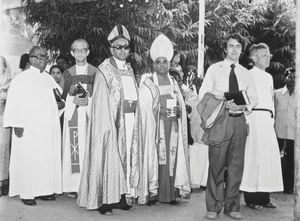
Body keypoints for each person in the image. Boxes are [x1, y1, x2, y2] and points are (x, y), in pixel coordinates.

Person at [77, 24, 142, 215]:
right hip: (110, 123)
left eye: (126, 47)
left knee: (126, 159)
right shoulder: (104, 70)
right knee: (109, 158)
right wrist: (106, 126)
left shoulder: (129, 68)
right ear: (111, 49)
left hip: (130, 120)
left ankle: (121, 197)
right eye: (118, 47)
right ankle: (105, 200)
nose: (123, 50)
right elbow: (98, 102)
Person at [198, 33, 257, 220]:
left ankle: (232, 207)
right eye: (231, 46)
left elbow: (254, 99)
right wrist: (221, 100)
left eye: (238, 46)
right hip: (220, 121)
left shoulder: (246, 73)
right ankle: (213, 207)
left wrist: (243, 106)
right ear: (225, 48)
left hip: (239, 121)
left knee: (235, 166)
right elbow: (203, 95)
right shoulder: (214, 69)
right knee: (216, 165)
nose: (234, 50)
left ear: (242, 49)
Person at [3, 46, 62, 206]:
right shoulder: (20, 79)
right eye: (39, 56)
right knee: (29, 159)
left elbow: (59, 100)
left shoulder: (48, 78)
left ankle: (43, 190)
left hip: (47, 128)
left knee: (45, 159)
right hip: (28, 128)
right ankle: (27, 192)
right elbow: (13, 103)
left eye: (45, 56)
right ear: (30, 59)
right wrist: (16, 124)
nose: (43, 59)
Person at [139, 34, 191, 205]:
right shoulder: (147, 82)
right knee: (156, 157)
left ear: (170, 63)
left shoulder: (174, 81)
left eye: (165, 62)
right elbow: (143, 106)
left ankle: (170, 193)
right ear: (153, 64)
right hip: (155, 126)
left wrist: (178, 110)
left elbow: (182, 104)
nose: (162, 65)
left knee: (172, 158)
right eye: (158, 62)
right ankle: (154, 192)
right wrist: (156, 111)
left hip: (172, 125)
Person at [240, 43, 283, 210]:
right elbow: (243, 100)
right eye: (264, 55)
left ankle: (265, 197)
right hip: (254, 118)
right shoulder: (247, 75)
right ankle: (251, 198)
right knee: (254, 158)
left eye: (268, 55)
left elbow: (271, 101)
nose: (268, 58)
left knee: (267, 159)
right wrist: (247, 120)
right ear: (254, 57)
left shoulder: (269, 77)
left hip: (267, 120)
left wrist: (271, 119)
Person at [61, 39, 97, 198]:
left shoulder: (95, 72)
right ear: (72, 53)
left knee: (88, 148)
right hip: (73, 116)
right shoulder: (67, 73)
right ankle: (73, 185)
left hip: (90, 116)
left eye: (83, 50)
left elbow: (100, 95)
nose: (80, 53)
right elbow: (61, 98)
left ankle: (89, 184)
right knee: (74, 150)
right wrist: (72, 100)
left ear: (88, 52)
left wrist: (90, 101)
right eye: (77, 50)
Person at [274, 67, 296, 194]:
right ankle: (276, 185)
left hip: (294, 135)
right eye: (290, 77)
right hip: (279, 133)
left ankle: (289, 187)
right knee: (276, 159)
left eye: (295, 77)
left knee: (291, 161)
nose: (292, 79)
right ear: (285, 78)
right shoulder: (276, 94)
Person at [0, 56, 12, 197]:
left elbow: (9, 98)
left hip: (3, 120)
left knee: (3, 149)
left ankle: (3, 183)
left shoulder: (9, 82)